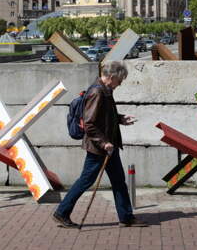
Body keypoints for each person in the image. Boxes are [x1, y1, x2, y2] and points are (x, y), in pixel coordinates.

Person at [52, 61, 148, 228]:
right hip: (100, 148)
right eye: (120, 80)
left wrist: (120, 119)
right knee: (85, 180)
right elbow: (89, 123)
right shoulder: (97, 92)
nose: (120, 84)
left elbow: (104, 116)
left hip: (109, 146)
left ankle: (126, 217)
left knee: (118, 181)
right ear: (111, 77)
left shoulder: (105, 90)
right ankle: (61, 212)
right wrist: (104, 143)